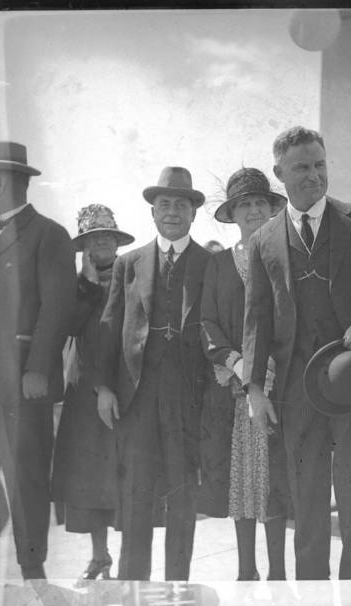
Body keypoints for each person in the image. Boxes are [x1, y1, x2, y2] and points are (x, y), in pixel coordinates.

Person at [242, 126, 351, 580]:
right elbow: (256, 320)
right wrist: (255, 389)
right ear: (279, 173)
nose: (313, 175)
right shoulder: (263, 241)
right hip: (297, 390)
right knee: (307, 499)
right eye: (301, 167)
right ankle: (312, 600)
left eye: (319, 164)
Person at [95, 167, 210, 581]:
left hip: (186, 401)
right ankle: (132, 589)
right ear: (153, 212)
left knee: (183, 498)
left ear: (194, 213)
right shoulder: (130, 263)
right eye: (165, 204)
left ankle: (178, 586)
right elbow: (108, 329)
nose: (173, 211)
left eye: (181, 204)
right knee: (136, 496)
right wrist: (104, 387)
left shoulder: (210, 263)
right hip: (136, 399)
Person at [199, 167, 290, 580]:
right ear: (232, 214)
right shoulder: (218, 264)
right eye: (244, 205)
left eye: (259, 203)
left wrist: (272, 366)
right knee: (242, 481)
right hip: (234, 389)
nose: (253, 211)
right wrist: (236, 363)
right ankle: (245, 570)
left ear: (272, 209)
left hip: (280, 384)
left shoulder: (287, 255)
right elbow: (207, 322)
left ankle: (277, 572)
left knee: (275, 480)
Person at [0, 141, 77, 580]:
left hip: (24, 382)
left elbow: (58, 307)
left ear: (6, 181)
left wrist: (38, 369)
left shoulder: (48, 234)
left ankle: (32, 572)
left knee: (25, 477)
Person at [51, 204, 135, 584]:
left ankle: (132, 558)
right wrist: (84, 286)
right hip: (84, 389)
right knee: (90, 477)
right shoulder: (74, 283)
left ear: (117, 241)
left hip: (126, 381)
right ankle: (99, 556)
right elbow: (66, 326)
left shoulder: (134, 272)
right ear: (84, 246)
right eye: (93, 238)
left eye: (107, 236)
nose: (102, 243)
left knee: (126, 473)